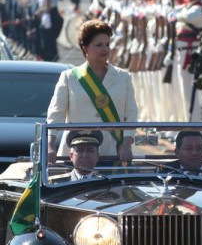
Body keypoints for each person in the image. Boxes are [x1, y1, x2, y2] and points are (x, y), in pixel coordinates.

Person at [46, 20, 138, 163]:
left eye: (107, 44)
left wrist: (127, 143)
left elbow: (131, 114)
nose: (105, 49)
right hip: (77, 152)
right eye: (99, 45)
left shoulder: (123, 77)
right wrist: (50, 145)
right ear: (85, 48)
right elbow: (55, 114)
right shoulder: (69, 77)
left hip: (112, 151)